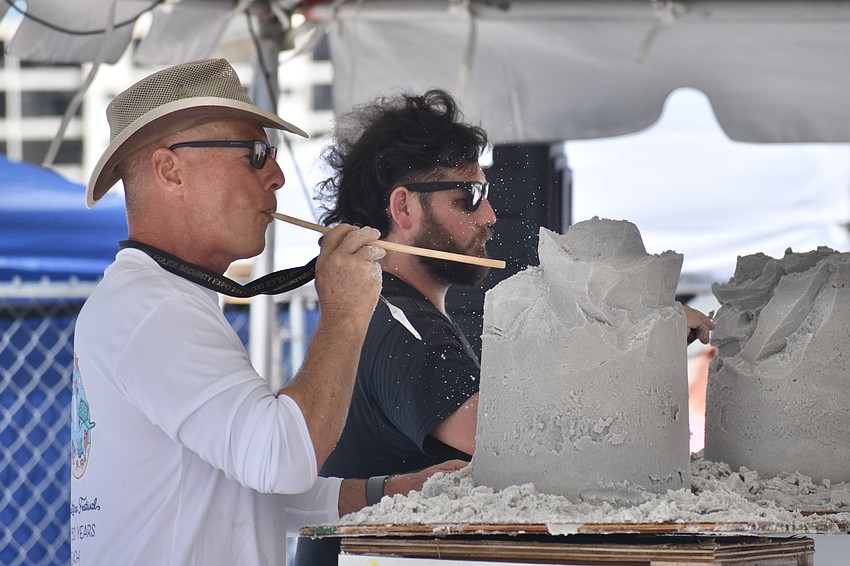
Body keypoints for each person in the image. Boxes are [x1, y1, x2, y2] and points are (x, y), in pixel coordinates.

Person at [293, 88, 716, 565]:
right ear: (404, 208)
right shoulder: (399, 322)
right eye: (469, 197)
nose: (490, 215)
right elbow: (520, 445)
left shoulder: (392, 311)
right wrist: (635, 332)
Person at [70, 58, 463, 566]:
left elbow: (245, 491)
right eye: (256, 155)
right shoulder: (155, 308)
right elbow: (281, 460)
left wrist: (396, 493)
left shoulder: (153, 299)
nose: (276, 177)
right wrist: (344, 311)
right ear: (171, 171)